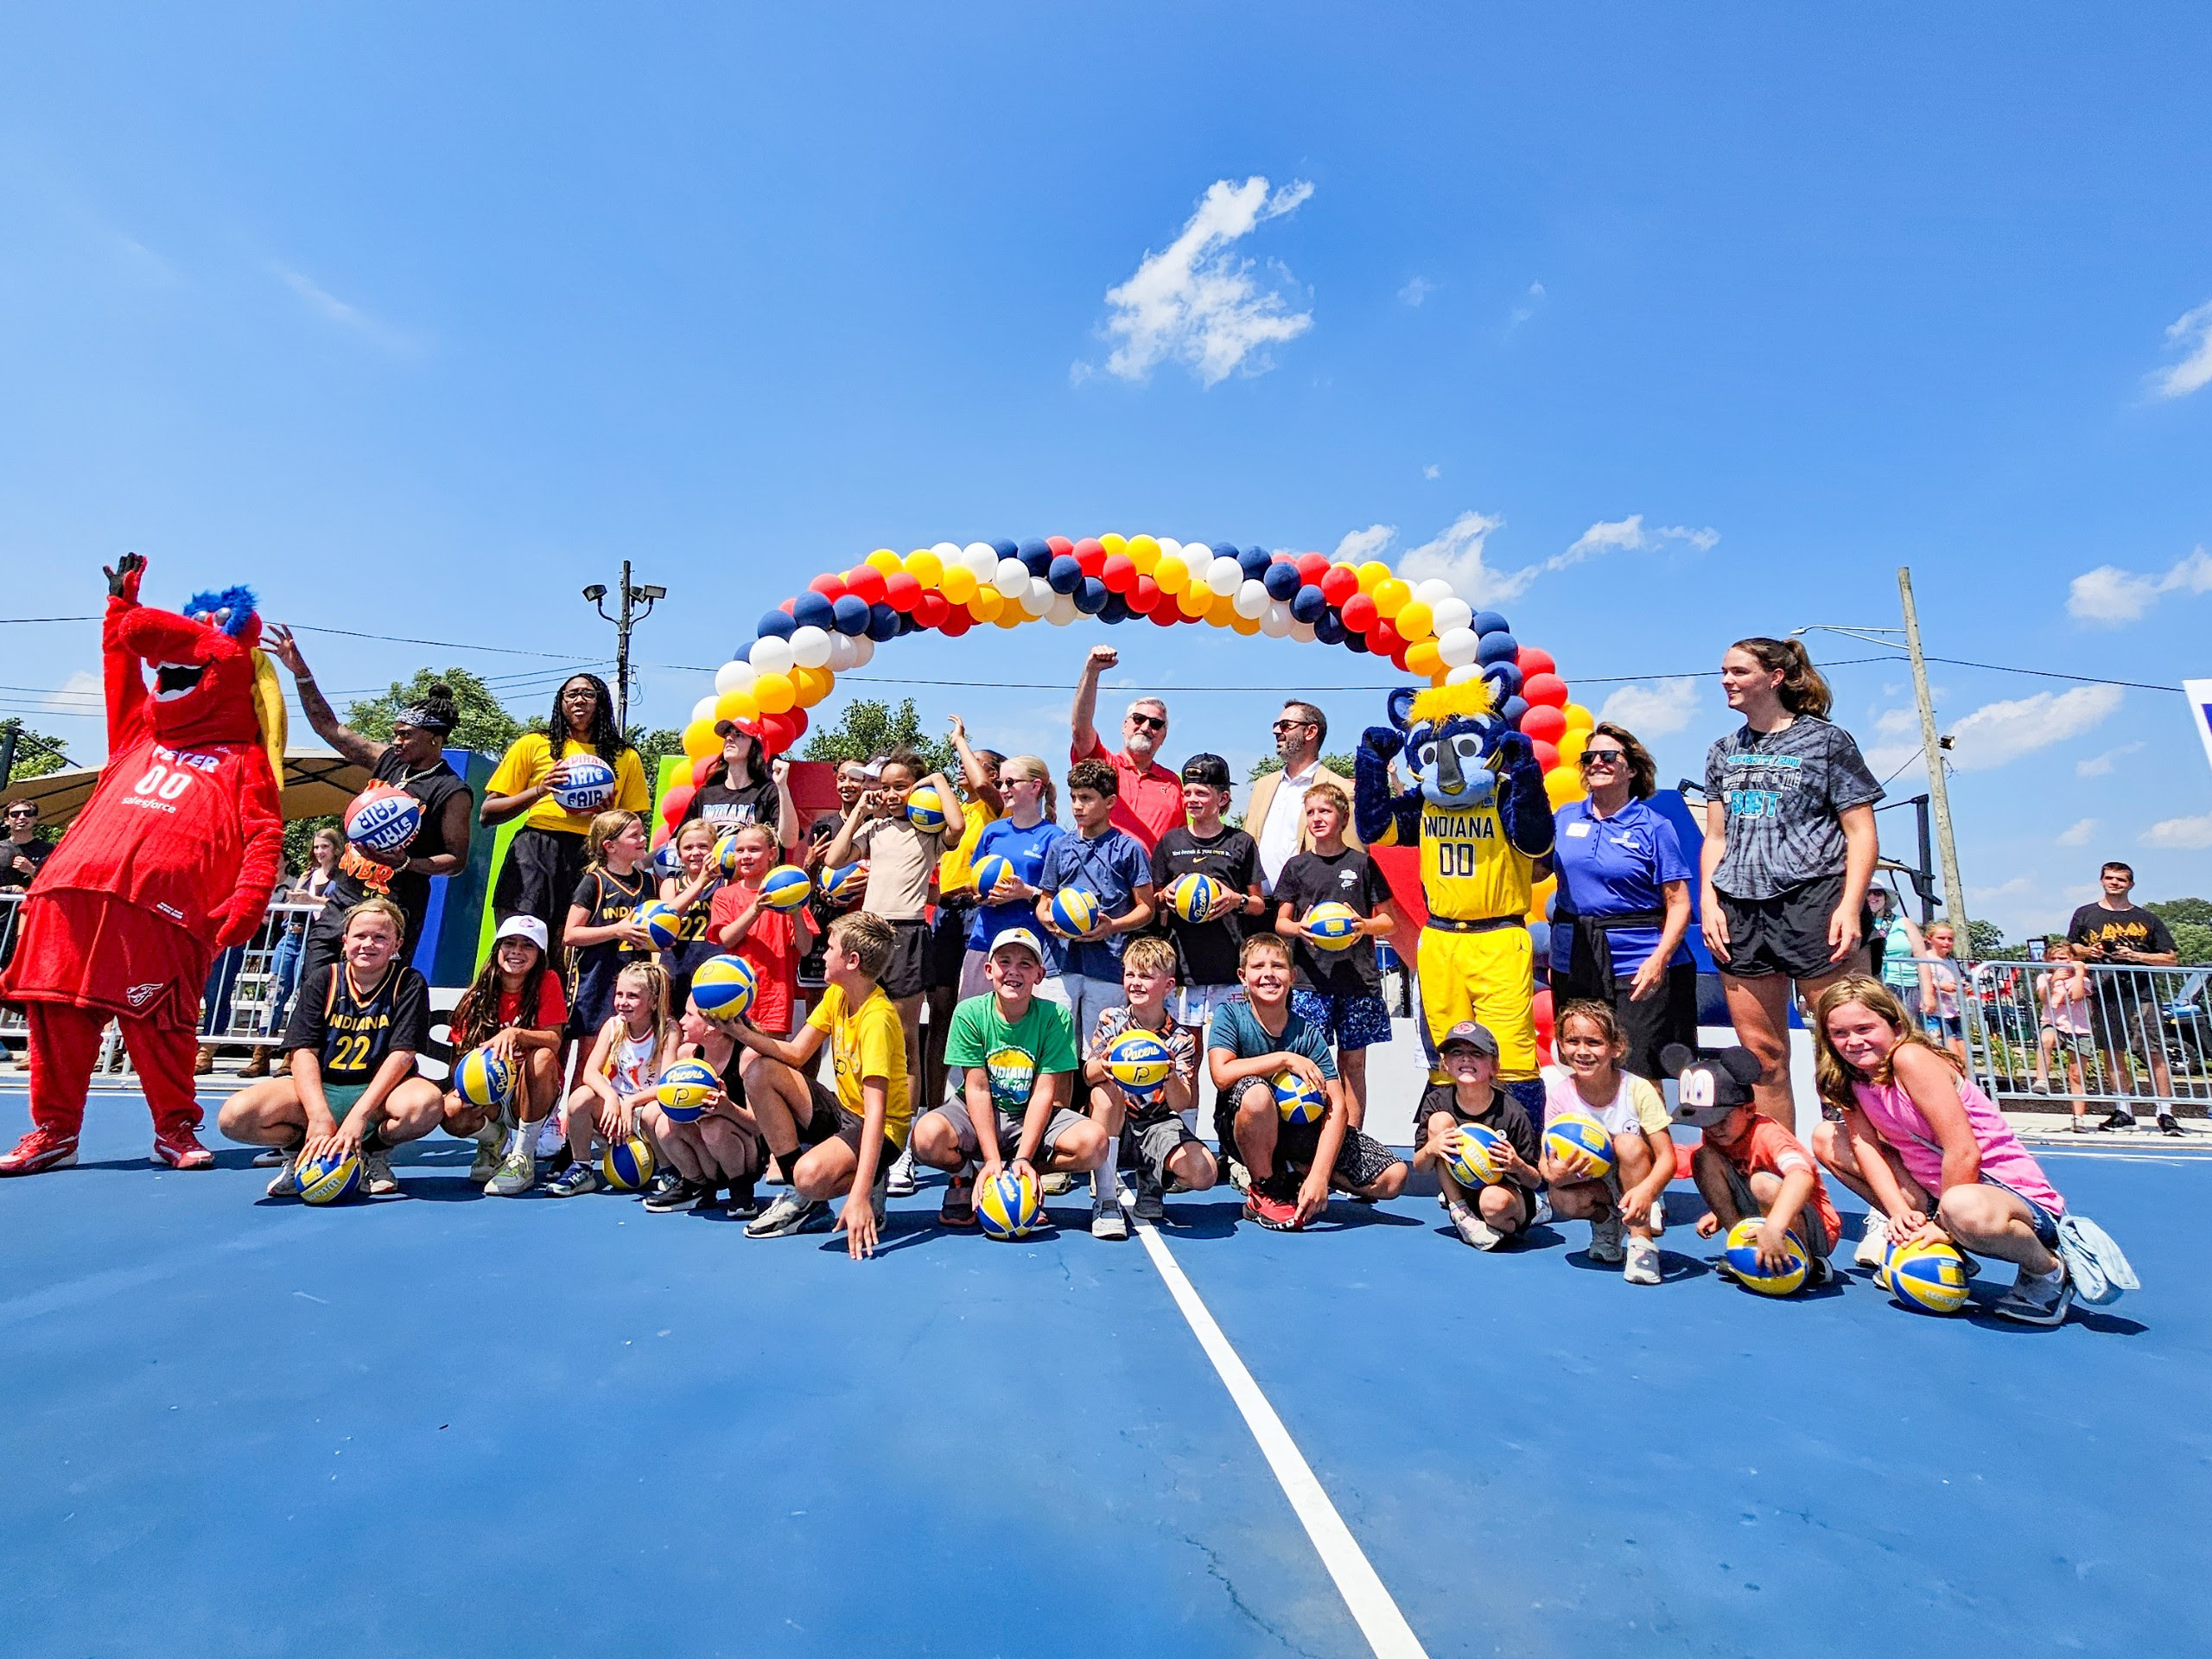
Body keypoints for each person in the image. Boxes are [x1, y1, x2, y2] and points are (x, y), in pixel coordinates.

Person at [1806, 977, 2082, 1324]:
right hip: (1940, 1193)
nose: (1854, 1042)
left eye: (1865, 1028)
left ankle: (2048, 1270)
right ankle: (1947, 1246)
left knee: (1961, 1206)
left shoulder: (1911, 1060)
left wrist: (1943, 1226)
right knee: (1826, 1137)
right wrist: (1898, 1213)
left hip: (2005, 1196)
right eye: (1840, 1033)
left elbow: (1964, 1151)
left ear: (1894, 1024)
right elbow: (1865, 1146)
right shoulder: (1852, 1076)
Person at [1700, 638, 1882, 1134]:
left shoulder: (1826, 741)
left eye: (1738, 671)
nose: (1726, 681)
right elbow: (1715, 837)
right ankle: (1785, 1186)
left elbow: (1861, 830)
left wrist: (1849, 905)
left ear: (1775, 677)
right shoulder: (1722, 751)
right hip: (1740, 908)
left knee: (1851, 1049)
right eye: (1723, 671)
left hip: (1815, 899)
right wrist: (1709, 902)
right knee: (1762, 1056)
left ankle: (1893, 1188)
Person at [264, 638, 474, 979]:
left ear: (434, 738)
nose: (396, 741)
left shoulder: (451, 790)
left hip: (393, 909)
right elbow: (329, 728)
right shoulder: (389, 761)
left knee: (375, 998)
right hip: (343, 900)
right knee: (317, 985)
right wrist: (301, 674)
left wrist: (405, 862)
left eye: (405, 734)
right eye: (395, 734)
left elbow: (456, 860)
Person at [218, 897, 443, 1199]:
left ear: (396, 945)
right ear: (345, 940)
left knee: (426, 1104)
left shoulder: (409, 982)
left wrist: (359, 1115)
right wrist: (318, 1115)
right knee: (235, 1116)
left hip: (378, 1093)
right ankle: (301, 1152)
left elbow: (402, 1055)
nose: (369, 944)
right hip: (323, 1085)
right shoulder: (324, 979)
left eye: (380, 937)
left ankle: (371, 1155)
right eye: (361, 936)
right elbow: (303, 1052)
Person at [722, 912, 910, 1257]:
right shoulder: (837, 995)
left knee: (810, 1176)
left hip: (880, 1130)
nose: (822, 954)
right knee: (759, 1070)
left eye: (831, 947)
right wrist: (738, 1031)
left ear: (852, 961)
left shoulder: (877, 1019)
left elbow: (877, 1115)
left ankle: (864, 1182)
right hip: (845, 1112)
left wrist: (857, 1196)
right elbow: (795, 1053)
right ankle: (804, 1198)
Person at [1210, 934, 1406, 1230]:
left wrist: (1320, 1175)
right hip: (1244, 1126)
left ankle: (1293, 1172)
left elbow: (1337, 1106)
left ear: (1292, 976)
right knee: (1257, 1094)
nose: (1268, 974)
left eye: (1278, 966)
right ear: (1243, 976)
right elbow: (1222, 1075)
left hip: (1301, 1133)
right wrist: (1285, 1060)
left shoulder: (1308, 1034)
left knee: (1394, 1178)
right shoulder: (1230, 1016)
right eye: (1258, 966)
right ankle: (1266, 1189)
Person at [914, 927, 1103, 1231]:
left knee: (1094, 1143)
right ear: (989, 970)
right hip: (978, 1110)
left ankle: (1021, 1174)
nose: (1013, 971)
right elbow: (976, 1089)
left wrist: (1025, 1158)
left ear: (1039, 975)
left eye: (1025, 965)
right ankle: (967, 1173)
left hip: (1028, 1113)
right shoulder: (969, 1013)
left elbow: (1044, 1092)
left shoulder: (1056, 1017)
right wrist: (990, 1160)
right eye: (1004, 962)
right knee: (926, 1138)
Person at [1549, 723, 1697, 1081]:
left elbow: (1679, 903)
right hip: (1577, 960)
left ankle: (1644, 1140)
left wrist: (1658, 960)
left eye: (1608, 756)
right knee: (1583, 1068)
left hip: (1638, 965)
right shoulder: (1565, 818)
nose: (1596, 762)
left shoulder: (1654, 826)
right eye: (1589, 757)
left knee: (1640, 1074)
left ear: (1632, 768)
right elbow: (1536, 871)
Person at [819, 748, 962, 1085]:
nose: (890, 794)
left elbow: (958, 825)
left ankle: (903, 1129)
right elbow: (834, 860)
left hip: (907, 934)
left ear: (918, 788)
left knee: (904, 1035)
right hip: (868, 931)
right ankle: (861, 1112)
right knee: (861, 1026)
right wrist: (859, 814)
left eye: (901, 786)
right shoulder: (875, 828)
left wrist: (937, 780)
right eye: (885, 787)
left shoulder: (929, 831)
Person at [481, 673, 650, 946]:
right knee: (520, 938)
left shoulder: (625, 756)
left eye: (588, 694)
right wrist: (541, 789)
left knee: (567, 946)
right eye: (571, 694)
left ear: (602, 702)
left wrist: (606, 818)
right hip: (535, 848)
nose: (579, 700)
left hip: (589, 853)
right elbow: (488, 814)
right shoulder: (533, 744)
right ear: (560, 702)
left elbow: (635, 826)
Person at [1666, 1043, 1841, 1290]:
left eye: (1721, 1120)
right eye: (1705, 1123)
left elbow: (1802, 1176)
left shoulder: (1768, 1134)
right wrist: (1719, 1213)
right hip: (1765, 1214)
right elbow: (1732, 1171)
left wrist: (1775, 1226)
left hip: (1815, 1227)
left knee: (1762, 1183)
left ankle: (1807, 1260)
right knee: (1703, 1159)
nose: (1714, 1129)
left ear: (1749, 1109)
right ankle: (1742, 1246)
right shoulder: (1718, 1137)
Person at [1271, 780, 1396, 1124]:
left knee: (1353, 1063)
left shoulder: (1362, 864)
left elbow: (1389, 921)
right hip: (1311, 981)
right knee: (1308, 1060)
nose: (1316, 818)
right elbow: (1281, 921)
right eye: (1310, 812)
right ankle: (1310, 1137)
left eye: (1324, 811)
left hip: (1356, 979)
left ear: (1343, 818)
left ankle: (1351, 1138)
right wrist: (1300, 929)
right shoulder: (1297, 867)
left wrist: (1363, 926)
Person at [1082, 936, 1216, 1230]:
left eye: (1146, 976)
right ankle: (1106, 1199)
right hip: (1116, 1120)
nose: (1136, 983)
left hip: (1156, 1122)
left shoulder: (1180, 1038)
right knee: (1104, 1094)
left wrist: (1167, 1074)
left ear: (1168, 986)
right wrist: (1105, 1065)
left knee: (1204, 1173)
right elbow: (1089, 1074)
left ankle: (1153, 1178)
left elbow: (1181, 1102)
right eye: (1130, 974)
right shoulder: (1112, 1020)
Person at [1541, 1001, 1674, 1284]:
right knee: (1560, 1197)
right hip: (1596, 1179)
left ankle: (1641, 1243)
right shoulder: (1560, 1096)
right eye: (1573, 1041)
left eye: (1594, 1042)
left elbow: (1667, 1158)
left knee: (1627, 1144)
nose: (1583, 1051)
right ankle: (1606, 1225)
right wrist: (1557, 1174)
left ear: (1616, 1048)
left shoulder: (1638, 1089)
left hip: (1639, 1177)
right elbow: (1545, 1162)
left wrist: (1647, 1193)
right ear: (1561, 1047)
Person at [920, 715, 1006, 1146]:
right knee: (939, 1012)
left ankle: (984, 1109)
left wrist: (959, 742)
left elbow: (985, 787)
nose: (962, 767)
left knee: (977, 1014)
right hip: (947, 912)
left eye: (974, 764)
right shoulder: (955, 811)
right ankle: (931, 1108)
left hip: (978, 911)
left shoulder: (993, 808)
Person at [441, 914, 569, 1196]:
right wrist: (470, 1086)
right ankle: (493, 1139)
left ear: (540, 953)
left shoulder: (547, 981)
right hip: (493, 1094)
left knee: (544, 1057)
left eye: (527, 945)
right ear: (497, 948)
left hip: (531, 1091)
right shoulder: (478, 994)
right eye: (509, 943)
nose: (517, 952)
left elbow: (554, 1041)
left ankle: (523, 1156)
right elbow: (456, 1060)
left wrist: (516, 1034)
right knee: (450, 1111)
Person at [1035, 759, 1156, 1051]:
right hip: (1060, 964)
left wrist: (1112, 926)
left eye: (1087, 798)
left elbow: (1147, 909)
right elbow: (1044, 901)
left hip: (1108, 965)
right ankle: (1060, 1100)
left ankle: (1096, 1100)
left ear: (1110, 801)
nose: (1077, 806)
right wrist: (1048, 919)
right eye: (1074, 798)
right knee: (1056, 1052)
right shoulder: (1060, 847)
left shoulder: (1129, 849)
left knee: (1101, 1053)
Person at [709, 821, 817, 1122]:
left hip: (773, 995)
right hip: (731, 998)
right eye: (739, 850)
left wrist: (795, 910)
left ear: (772, 853)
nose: (745, 856)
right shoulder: (726, 895)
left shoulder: (789, 891)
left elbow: (806, 947)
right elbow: (727, 938)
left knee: (758, 1067)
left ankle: (770, 1141)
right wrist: (756, 908)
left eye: (754, 850)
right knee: (729, 1071)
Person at [1151, 753, 1264, 1039]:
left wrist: (1235, 900)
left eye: (1201, 793)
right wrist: (1165, 896)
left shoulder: (1241, 842)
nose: (1191, 799)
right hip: (1183, 968)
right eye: (1187, 792)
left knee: (1229, 1056)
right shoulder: (1171, 841)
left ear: (1223, 799)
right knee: (1186, 1059)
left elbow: (1259, 905)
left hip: (1229, 969)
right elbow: (1151, 900)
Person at [2066, 860, 2179, 1132]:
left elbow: (2171, 958)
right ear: (2102, 880)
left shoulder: (2148, 918)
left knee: (2154, 1049)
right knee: (2112, 1050)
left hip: (2142, 991)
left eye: (2121, 879)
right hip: (2105, 991)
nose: (2115, 883)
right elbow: (2070, 948)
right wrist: (2087, 952)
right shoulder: (2085, 914)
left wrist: (2136, 956)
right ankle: (2123, 1109)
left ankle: (2165, 1111)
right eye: (2110, 878)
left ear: (2131, 884)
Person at [548, 959, 677, 1197]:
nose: (622, 1002)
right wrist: (611, 1098)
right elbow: (590, 1072)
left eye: (633, 996)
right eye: (619, 994)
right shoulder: (613, 1025)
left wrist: (631, 1103)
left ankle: (669, 1169)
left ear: (653, 1001)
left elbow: (666, 1085)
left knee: (653, 1113)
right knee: (580, 1098)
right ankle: (582, 1166)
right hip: (614, 1113)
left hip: (645, 1109)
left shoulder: (668, 1030)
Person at [1412, 1021, 1545, 1250]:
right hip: (1461, 1189)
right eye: (1457, 1053)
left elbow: (1535, 1180)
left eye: (1476, 1053)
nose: (1466, 1059)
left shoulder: (1512, 1111)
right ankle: (1461, 1213)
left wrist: (1517, 1165)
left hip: (1504, 1191)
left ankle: (1518, 1217)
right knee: (1440, 1123)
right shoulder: (1436, 1102)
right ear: (1445, 1064)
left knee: (1493, 1204)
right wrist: (1432, 1148)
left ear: (1494, 1066)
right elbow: (1421, 1167)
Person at [636, 995, 767, 1217]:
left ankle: (741, 1190)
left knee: (714, 1126)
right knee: (659, 1118)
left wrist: (726, 1108)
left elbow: (761, 1127)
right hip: (708, 1153)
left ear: (712, 1026)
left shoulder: (747, 1056)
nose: (682, 1022)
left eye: (689, 1015)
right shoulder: (687, 1054)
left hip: (746, 1151)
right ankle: (696, 1185)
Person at [562, 810, 657, 1090]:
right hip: (598, 978)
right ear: (610, 845)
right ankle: (572, 1122)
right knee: (590, 1057)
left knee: (632, 1057)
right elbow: (571, 934)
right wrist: (616, 930)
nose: (643, 839)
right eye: (635, 835)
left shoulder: (649, 882)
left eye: (643, 833)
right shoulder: (594, 882)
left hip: (636, 980)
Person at [249, 826, 344, 1082]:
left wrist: (311, 900)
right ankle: (261, 1053)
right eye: (316, 847)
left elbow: (341, 906)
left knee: (307, 995)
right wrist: (295, 899)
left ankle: (293, 1054)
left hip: (319, 939)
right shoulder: (307, 875)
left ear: (335, 849)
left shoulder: (343, 876)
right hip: (292, 935)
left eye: (324, 846)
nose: (319, 851)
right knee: (274, 991)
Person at [1069, 644, 1182, 850]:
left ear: (1164, 736)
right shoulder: (1101, 764)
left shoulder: (1174, 784)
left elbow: (1182, 843)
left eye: (1156, 724)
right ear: (1124, 725)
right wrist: (1092, 670)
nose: (1146, 727)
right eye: (1138, 719)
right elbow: (1080, 728)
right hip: (1099, 876)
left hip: (1152, 881)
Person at [1246, 699, 1359, 887]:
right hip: (1258, 907)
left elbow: (1352, 866)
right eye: (1275, 726)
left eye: (1285, 725)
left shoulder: (1343, 790)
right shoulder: (1262, 786)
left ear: (1310, 732)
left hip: (1306, 908)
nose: (1276, 732)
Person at [680, 717, 798, 847]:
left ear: (754, 747)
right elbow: (680, 839)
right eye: (727, 735)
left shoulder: (768, 792)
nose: (729, 739)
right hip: (710, 866)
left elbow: (789, 842)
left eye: (739, 735)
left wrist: (782, 786)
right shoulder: (706, 794)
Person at [654, 817, 725, 1015]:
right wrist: (700, 883)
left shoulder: (725, 883)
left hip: (713, 969)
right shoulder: (672, 883)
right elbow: (666, 915)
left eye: (703, 846)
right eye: (688, 847)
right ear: (679, 854)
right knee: (673, 1029)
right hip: (676, 970)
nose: (696, 852)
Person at [2031, 938, 2094, 1128]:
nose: (2059, 962)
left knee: (2076, 1073)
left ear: (2072, 959)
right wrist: (2053, 982)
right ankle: (2042, 1079)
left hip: (2078, 1027)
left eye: (2063, 958)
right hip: (2053, 1022)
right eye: (2054, 958)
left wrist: (2079, 972)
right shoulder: (2044, 978)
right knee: (2046, 1040)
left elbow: (2077, 995)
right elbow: (2043, 999)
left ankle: (2079, 1117)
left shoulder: (2082, 979)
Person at [1868, 887, 1929, 1024]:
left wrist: (1927, 994)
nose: (1872, 897)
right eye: (1867, 893)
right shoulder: (1857, 922)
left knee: (1909, 1029)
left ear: (1885, 898)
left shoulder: (1903, 922)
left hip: (1906, 986)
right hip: (1873, 986)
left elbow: (1922, 958)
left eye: (1877, 893)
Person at [1920, 921, 1967, 1065]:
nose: (1947, 942)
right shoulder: (1925, 959)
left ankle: (1966, 1084)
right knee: (1952, 1054)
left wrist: (1965, 986)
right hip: (1937, 1013)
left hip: (1954, 1012)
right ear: (1929, 939)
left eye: (1950, 939)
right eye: (1941, 938)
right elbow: (1921, 980)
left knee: (1964, 1055)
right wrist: (1940, 986)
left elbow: (1958, 980)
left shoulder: (1951, 961)